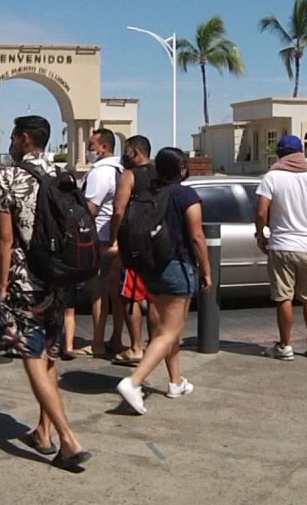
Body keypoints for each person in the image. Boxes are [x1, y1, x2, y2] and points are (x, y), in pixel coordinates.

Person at [0, 115, 92, 471]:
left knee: (31, 357)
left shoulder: (10, 175)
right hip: (59, 277)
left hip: (24, 279)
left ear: (22, 138)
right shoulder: (62, 173)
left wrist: (2, 285)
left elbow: (5, 240)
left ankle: (68, 439)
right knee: (47, 354)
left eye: (14, 136)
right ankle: (43, 432)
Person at [116, 147, 212, 415]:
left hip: (151, 267)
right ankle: (133, 382)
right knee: (169, 332)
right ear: (182, 169)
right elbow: (196, 236)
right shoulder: (185, 194)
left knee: (167, 330)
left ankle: (175, 381)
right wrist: (206, 270)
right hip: (177, 266)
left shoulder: (149, 193)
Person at [254, 135, 307, 361]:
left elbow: (261, 211)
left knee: (283, 297)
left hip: (281, 245)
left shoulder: (272, 177)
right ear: (302, 152)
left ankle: (285, 346)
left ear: (279, 154)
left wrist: (261, 235)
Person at [69, 128, 123, 358]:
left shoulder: (101, 173)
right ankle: (116, 339)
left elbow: (90, 208)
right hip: (115, 238)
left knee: (98, 292)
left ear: (104, 147)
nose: (89, 151)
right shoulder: (121, 169)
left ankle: (98, 342)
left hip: (99, 238)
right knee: (116, 293)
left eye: (92, 147)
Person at [108, 135, 155, 366]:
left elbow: (118, 210)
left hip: (134, 244)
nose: (123, 156)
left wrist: (113, 238)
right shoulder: (160, 175)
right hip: (157, 244)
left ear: (135, 152)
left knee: (131, 296)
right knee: (154, 297)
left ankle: (136, 347)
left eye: (126, 151)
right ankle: (155, 345)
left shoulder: (129, 175)